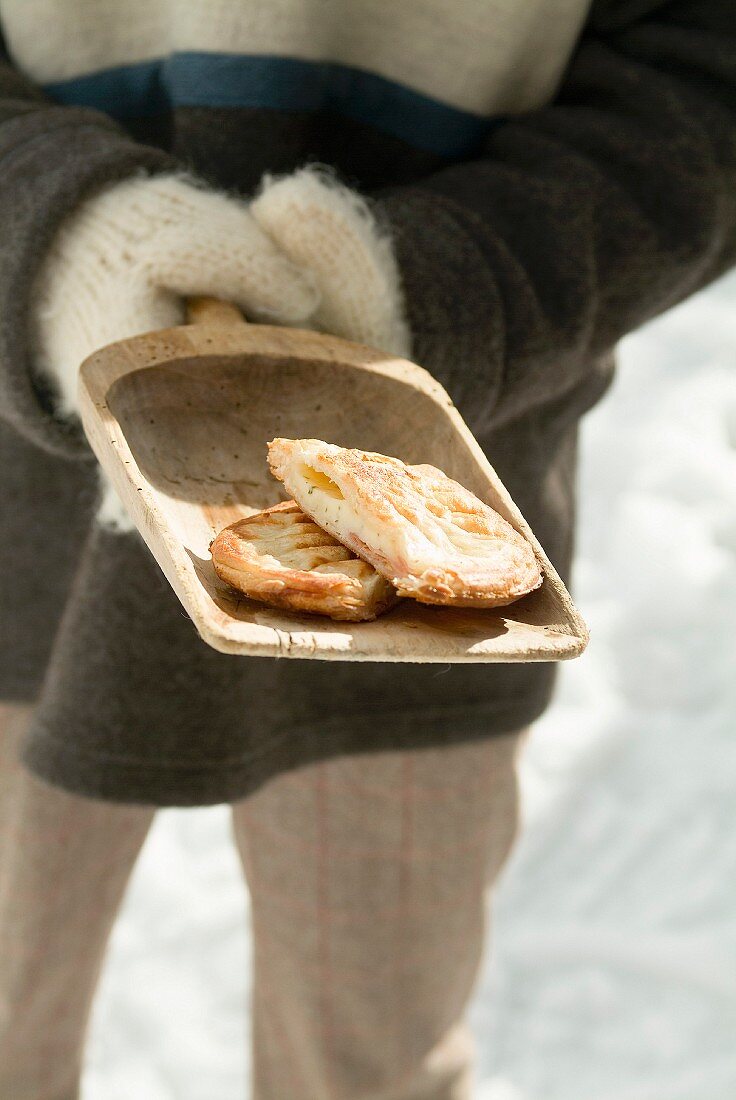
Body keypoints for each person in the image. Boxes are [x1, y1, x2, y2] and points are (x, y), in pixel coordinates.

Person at [1, 2, 734, 1097]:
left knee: (369, 1061)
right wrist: (54, 235)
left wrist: (451, 282)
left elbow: (704, 73)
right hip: (22, 491)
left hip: (430, 513)